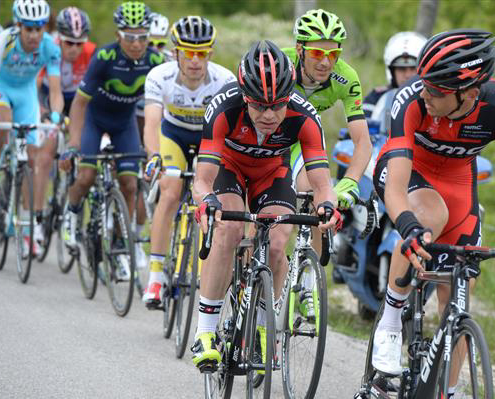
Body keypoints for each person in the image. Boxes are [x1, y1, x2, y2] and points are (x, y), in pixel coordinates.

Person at [371, 29, 495, 397]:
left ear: (470, 93)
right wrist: (407, 226)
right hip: (409, 173)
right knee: (429, 215)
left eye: (437, 91)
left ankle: (448, 391)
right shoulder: (411, 100)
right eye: (425, 84)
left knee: (457, 293)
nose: (425, 93)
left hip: (459, 183)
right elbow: (395, 187)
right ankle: (390, 323)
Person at [190, 40, 340, 369]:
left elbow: (322, 183)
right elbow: (202, 181)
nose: (269, 115)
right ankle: (205, 332)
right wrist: (206, 203)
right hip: (229, 169)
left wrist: (328, 206)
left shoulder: (304, 115)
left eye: (277, 106)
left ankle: (261, 327)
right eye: (259, 106)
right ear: (245, 98)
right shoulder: (224, 107)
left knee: (275, 245)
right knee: (228, 229)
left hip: (273, 173)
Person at [141, 16, 236, 307]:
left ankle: (208, 272)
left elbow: (231, 130)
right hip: (174, 136)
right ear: (176, 52)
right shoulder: (159, 76)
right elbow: (152, 122)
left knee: (216, 201)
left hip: (210, 140)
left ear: (211, 53)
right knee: (170, 189)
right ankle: (156, 277)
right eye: (188, 52)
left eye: (202, 53)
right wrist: (154, 156)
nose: (195, 60)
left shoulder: (225, 80)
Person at [59, 2, 162, 255]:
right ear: (118, 36)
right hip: (94, 120)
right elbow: (80, 103)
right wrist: (73, 143)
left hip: (123, 123)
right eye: (129, 37)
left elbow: (162, 110)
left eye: (142, 37)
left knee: (129, 183)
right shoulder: (105, 57)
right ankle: (70, 216)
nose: (137, 43)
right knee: (85, 177)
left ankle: (118, 242)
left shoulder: (155, 61)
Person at [0, 0, 63, 255]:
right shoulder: (3, 42)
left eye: (38, 28)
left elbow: (54, 89)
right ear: (18, 26)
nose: (33, 35)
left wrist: (55, 116)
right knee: (1, 124)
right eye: (28, 28)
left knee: (31, 160)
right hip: (1, 89)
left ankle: (28, 231)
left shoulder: (51, 47)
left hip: (27, 94)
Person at [284, 9, 371, 210]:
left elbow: (362, 141)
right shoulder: (280, 62)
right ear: (299, 49)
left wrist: (350, 181)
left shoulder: (346, 77)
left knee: (318, 197)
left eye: (333, 54)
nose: (325, 62)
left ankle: (318, 241)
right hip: (267, 133)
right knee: (267, 221)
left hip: (303, 135)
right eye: (317, 53)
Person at [363, 31, 426, 132]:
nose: (408, 75)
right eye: (401, 69)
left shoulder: (432, 96)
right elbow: (361, 131)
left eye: (413, 68)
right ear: (392, 71)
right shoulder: (376, 97)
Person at [39, 7, 96, 116]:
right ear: (60, 38)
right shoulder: (48, 48)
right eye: (69, 43)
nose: (74, 49)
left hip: (75, 96)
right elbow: (35, 83)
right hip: (47, 93)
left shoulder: (91, 52)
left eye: (79, 44)